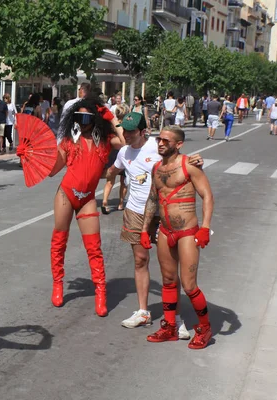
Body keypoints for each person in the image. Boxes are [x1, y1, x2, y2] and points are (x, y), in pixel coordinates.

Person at [106, 114, 203, 335]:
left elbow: (181, 162)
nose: (127, 135)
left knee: (169, 271)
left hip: (164, 215)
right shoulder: (123, 152)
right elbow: (112, 171)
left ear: (142, 131)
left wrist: (196, 160)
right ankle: (143, 312)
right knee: (140, 260)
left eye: (131, 131)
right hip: (135, 211)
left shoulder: (156, 146)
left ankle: (175, 318)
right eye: (125, 131)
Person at [47, 96, 125, 317]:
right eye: (78, 117)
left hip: (87, 199)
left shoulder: (106, 141)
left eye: (86, 117)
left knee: (94, 248)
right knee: (59, 242)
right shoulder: (68, 142)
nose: (82, 121)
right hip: (66, 194)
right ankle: (58, 285)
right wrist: (31, 158)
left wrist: (111, 118)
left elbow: (127, 142)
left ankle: (101, 292)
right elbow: (52, 170)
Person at [140, 125, 214, 349]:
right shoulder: (156, 168)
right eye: (159, 139)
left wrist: (205, 227)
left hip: (187, 233)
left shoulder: (189, 166)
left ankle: (205, 328)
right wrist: (145, 229)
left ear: (178, 144)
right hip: (165, 231)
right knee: (169, 282)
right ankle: (170, 327)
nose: (160, 143)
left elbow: (207, 196)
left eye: (166, 141)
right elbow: (153, 200)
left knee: (190, 285)